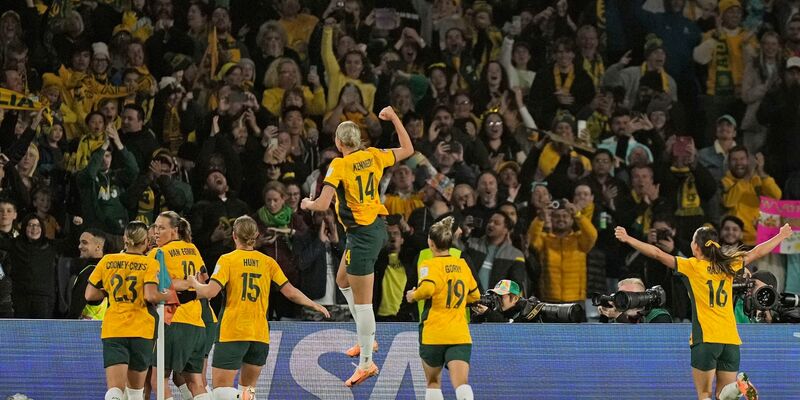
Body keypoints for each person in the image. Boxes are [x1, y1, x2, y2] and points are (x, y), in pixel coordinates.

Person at [614, 223, 794, 400]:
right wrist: (782, 235)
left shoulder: (692, 266)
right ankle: (738, 387)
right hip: (731, 340)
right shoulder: (728, 264)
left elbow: (657, 253)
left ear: (697, 246)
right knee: (724, 396)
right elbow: (757, 252)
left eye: (692, 240)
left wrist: (628, 238)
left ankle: (738, 388)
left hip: (706, 339)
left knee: (704, 395)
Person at [300, 106, 413, 386]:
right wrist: (394, 117)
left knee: (364, 306)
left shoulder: (338, 165)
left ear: (339, 143)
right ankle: (367, 340)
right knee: (342, 280)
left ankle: (366, 362)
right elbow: (408, 148)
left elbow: (323, 204)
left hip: (363, 235)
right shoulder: (373, 155)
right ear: (359, 140)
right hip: (371, 228)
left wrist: (308, 203)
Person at [188, 216, 329, 400]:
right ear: (255, 235)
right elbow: (291, 292)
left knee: (222, 391)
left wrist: (194, 283)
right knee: (248, 391)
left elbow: (210, 292)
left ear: (234, 235)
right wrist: (313, 303)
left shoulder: (228, 260)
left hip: (233, 331)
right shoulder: (267, 262)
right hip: (260, 334)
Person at [85, 221, 169, 400]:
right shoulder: (149, 264)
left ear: (125, 239)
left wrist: (109, 292)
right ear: (146, 241)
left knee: (115, 390)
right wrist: (167, 296)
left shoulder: (107, 260)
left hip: (114, 328)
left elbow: (90, 294)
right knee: (135, 393)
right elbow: (150, 295)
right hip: (141, 330)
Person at [405, 216, 478, 400]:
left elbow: (428, 289)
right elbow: (475, 296)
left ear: (430, 242)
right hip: (459, 334)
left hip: (434, 333)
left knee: (433, 383)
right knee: (461, 384)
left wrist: (412, 296)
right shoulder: (462, 264)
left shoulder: (428, 265)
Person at [148, 211, 210, 400]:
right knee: (195, 382)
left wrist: (179, 285)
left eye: (162, 228)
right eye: (155, 227)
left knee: (158, 380)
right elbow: (204, 282)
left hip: (173, 322)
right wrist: (189, 284)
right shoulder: (193, 249)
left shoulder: (158, 253)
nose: (156, 232)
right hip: (197, 325)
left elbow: (155, 284)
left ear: (174, 231)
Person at [597, 278, 672, 323]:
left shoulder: (659, 316)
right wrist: (604, 316)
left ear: (643, 296)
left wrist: (619, 317)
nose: (626, 300)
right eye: (622, 295)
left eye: (633, 295)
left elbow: (645, 344)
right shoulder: (622, 314)